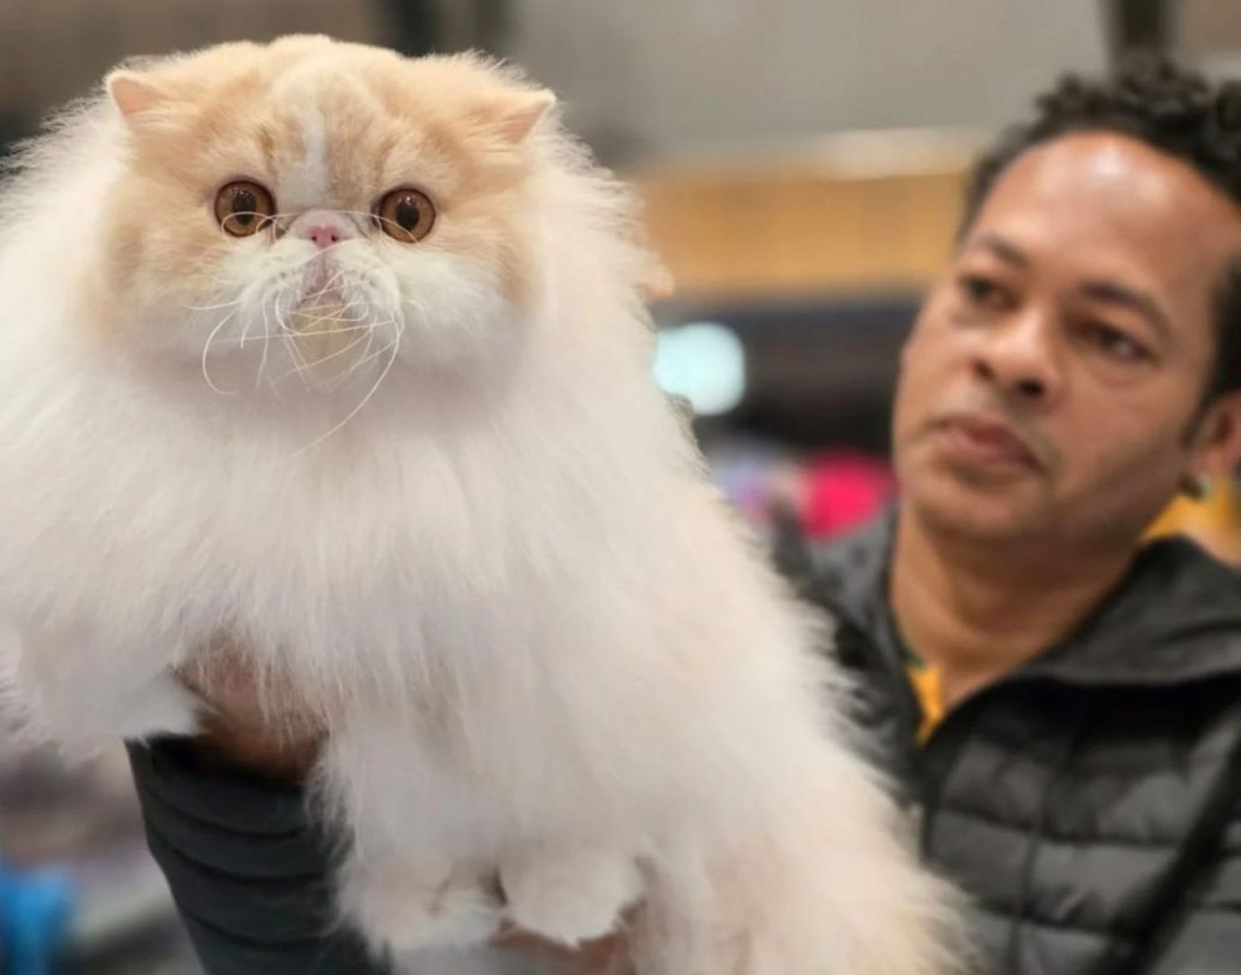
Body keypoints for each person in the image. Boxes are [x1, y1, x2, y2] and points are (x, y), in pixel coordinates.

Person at [127, 57, 1241, 975]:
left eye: (1111, 337)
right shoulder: (714, 595)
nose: (1012, 358)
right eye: (985, 293)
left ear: (1217, 434)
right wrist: (247, 753)